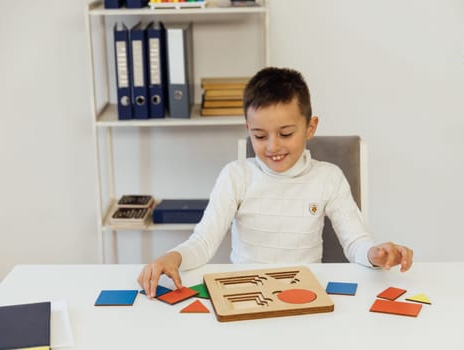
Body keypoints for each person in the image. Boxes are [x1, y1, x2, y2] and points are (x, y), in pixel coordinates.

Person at [138, 67, 413, 297]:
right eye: (259, 136)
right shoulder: (236, 176)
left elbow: (356, 243)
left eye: (285, 133)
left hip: (304, 293)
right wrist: (172, 257)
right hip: (245, 293)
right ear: (248, 129)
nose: (273, 146)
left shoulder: (328, 177)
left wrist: (375, 254)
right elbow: (203, 243)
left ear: (310, 127)